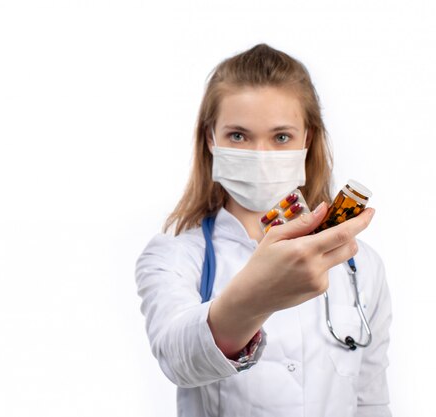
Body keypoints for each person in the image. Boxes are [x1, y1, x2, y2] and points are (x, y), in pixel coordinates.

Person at [135, 43, 392, 417]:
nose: (261, 154)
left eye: (281, 137)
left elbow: (371, 401)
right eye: (238, 136)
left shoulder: (360, 264)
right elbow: (178, 359)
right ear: (210, 139)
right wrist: (258, 296)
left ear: (308, 139)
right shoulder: (175, 254)